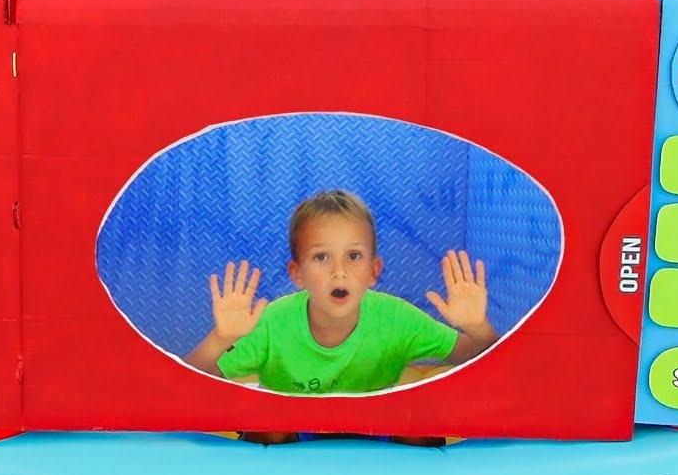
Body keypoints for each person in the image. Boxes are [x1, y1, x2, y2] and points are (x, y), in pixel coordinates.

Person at [183, 189, 498, 445]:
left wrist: (478, 328)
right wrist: (220, 339)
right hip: (297, 434)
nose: (339, 271)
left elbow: (476, 358)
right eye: (321, 257)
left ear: (374, 271)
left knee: (420, 425)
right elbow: (189, 383)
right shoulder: (274, 322)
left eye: (354, 256)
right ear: (297, 273)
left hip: (377, 431)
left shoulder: (396, 318)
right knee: (265, 425)